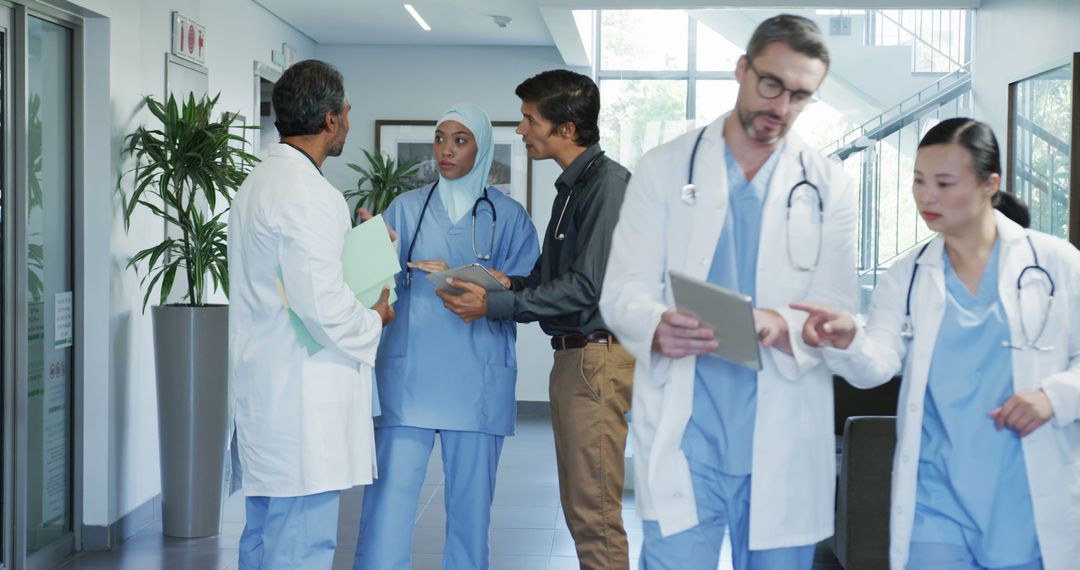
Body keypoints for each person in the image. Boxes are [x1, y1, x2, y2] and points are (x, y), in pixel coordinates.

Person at [599, 15, 858, 569]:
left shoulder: (828, 185)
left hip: (782, 435)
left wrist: (785, 326)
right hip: (687, 434)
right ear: (742, 68)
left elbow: (837, 309)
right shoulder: (666, 167)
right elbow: (622, 289)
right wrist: (656, 324)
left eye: (800, 95)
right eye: (771, 84)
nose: (781, 106)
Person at [793, 118, 1080, 570]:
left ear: (990, 184)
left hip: (1023, 495)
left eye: (945, 183)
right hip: (935, 498)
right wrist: (847, 340)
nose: (926, 196)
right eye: (919, 181)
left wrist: (1053, 397)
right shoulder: (907, 276)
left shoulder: (1055, 263)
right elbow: (877, 365)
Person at [438, 70, 634, 569]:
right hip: (575, 357)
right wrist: (501, 284)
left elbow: (586, 288)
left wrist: (495, 306)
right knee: (580, 506)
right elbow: (551, 278)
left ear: (566, 129)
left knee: (595, 511)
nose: (521, 130)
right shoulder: (572, 188)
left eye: (530, 120)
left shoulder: (607, 187)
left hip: (596, 358)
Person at [352, 103, 540, 570]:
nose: (446, 150)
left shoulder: (509, 217)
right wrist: (365, 245)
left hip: (475, 380)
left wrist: (475, 281)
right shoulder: (406, 209)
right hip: (409, 379)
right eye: (440, 139)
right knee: (387, 511)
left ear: (482, 146)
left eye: (460, 140)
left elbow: (528, 292)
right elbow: (376, 289)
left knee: (470, 515)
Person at [228, 59, 394, 569]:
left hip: (272, 391)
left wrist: (361, 246)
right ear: (331, 120)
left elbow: (295, 279)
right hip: (301, 402)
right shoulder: (309, 194)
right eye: (345, 113)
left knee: (264, 539)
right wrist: (377, 318)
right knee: (299, 547)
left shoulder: (263, 181)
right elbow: (323, 306)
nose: (345, 121)